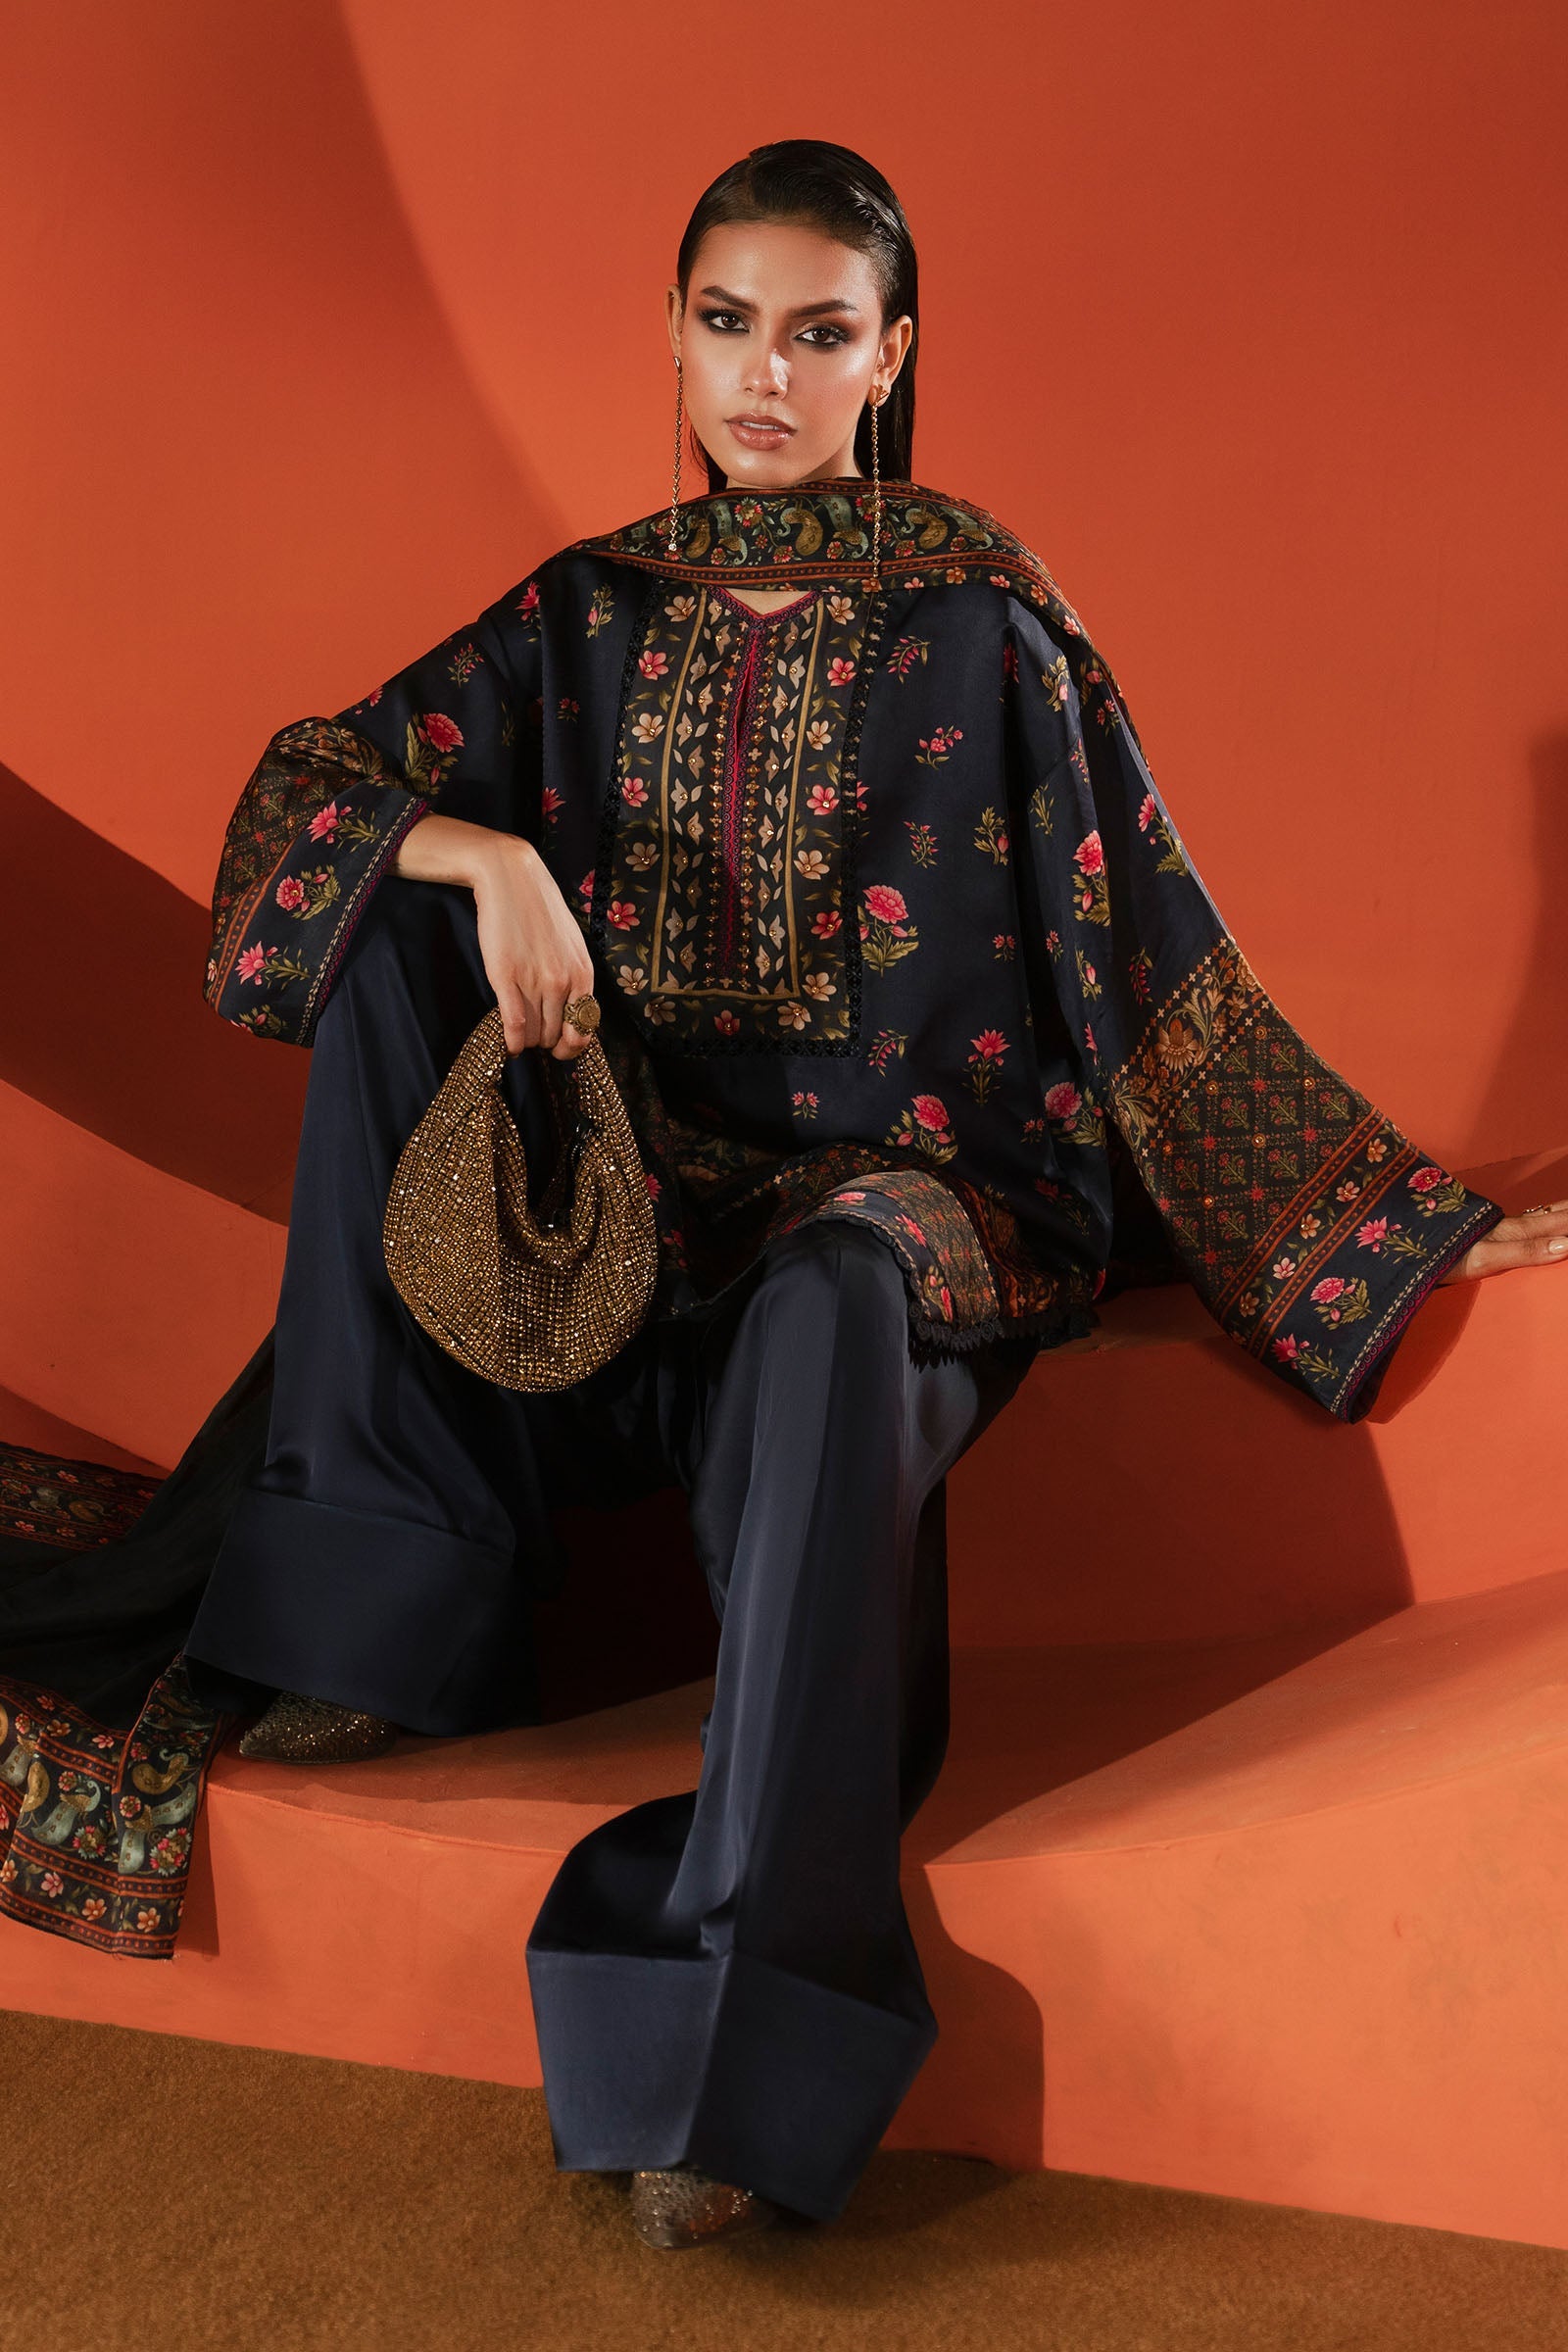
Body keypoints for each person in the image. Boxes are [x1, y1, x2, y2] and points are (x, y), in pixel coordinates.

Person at [2, 140, 1564, 2251]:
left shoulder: (987, 629)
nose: (763, 376)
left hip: (915, 1196)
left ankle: (740, 2035)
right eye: (727, 324)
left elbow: (1151, 966)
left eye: (817, 334)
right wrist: (481, 855)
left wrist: (1393, 1226)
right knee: (390, 911)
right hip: (636, 1203)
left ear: (887, 359)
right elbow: (302, 795)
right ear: (671, 334)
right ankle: (380, 1601)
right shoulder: (584, 614)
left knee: (839, 1290)